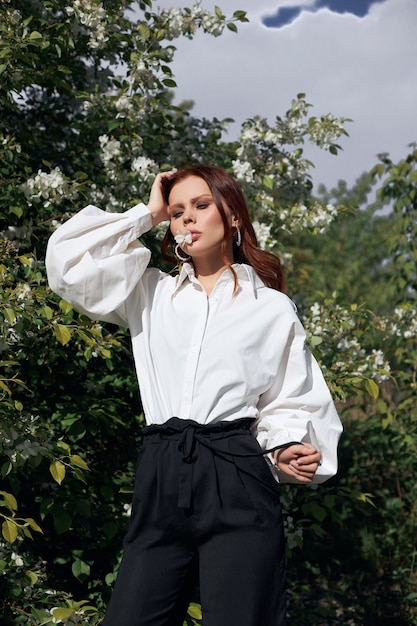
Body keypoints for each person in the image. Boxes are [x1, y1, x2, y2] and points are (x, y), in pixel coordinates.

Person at [45, 164, 342, 626]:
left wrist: (283, 447)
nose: (188, 218)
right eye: (178, 211)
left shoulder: (271, 308)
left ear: (233, 216)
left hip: (236, 472)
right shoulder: (150, 293)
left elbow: (290, 395)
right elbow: (67, 265)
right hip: (161, 470)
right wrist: (147, 213)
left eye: (202, 205)